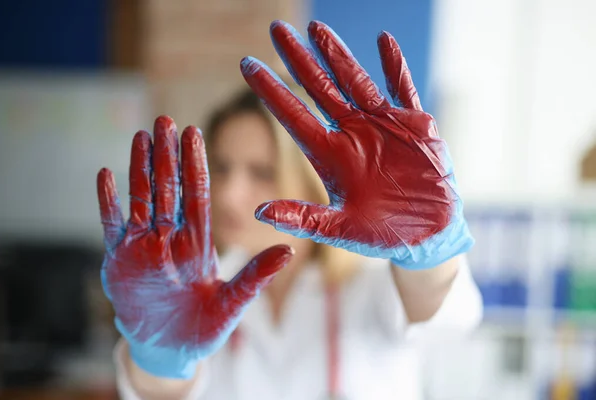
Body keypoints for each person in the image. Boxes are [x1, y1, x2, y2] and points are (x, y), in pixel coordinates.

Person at [96, 20, 483, 400]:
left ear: (314, 179)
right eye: (222, 167)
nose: (229, 194)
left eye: (262, 172)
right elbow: (157, 394)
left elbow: (449, 320)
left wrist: (429, 247)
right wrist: (159, 363)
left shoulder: (373, 282)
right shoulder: (192, 286)